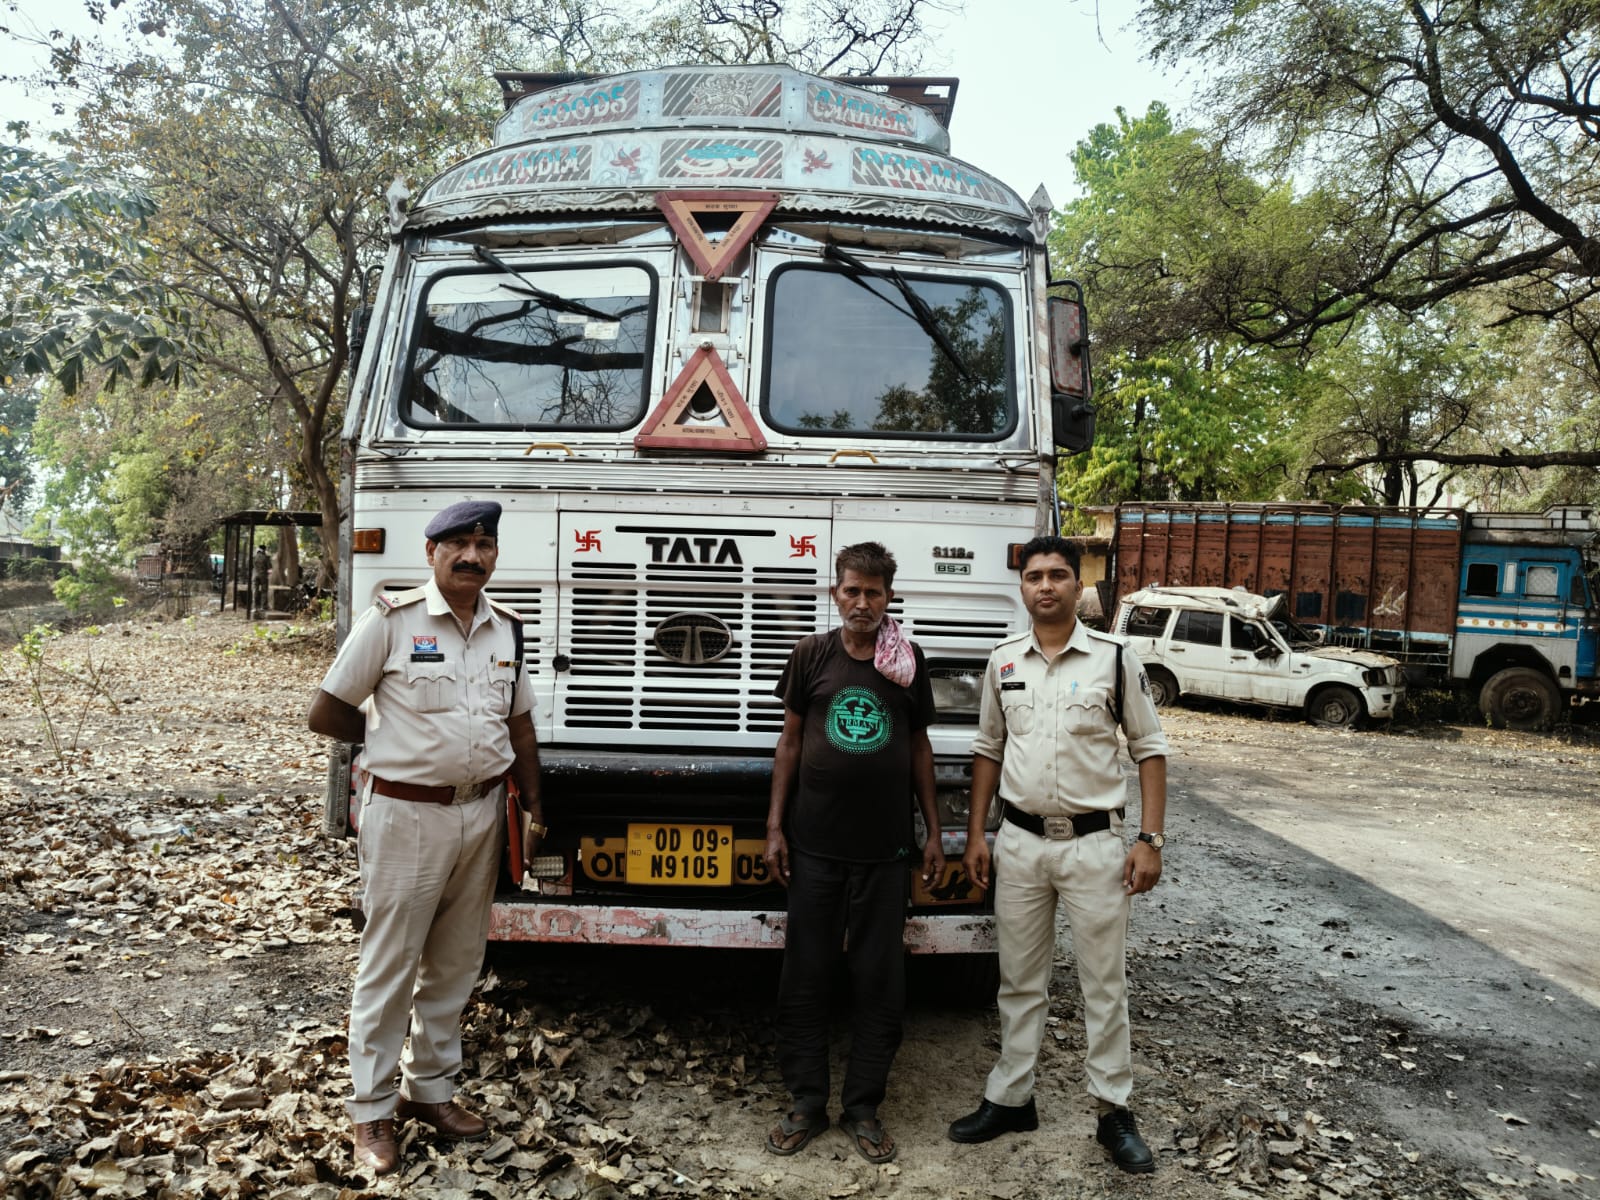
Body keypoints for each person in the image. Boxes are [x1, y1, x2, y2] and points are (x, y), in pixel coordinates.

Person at [306, 499, 544, 1177]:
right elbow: (326, 711)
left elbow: (520, 724)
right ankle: (371, 1110)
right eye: (459, 545)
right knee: (390, 964)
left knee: (457, 962)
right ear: (432, 551)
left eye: (485, 545)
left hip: (481, 814)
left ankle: (428, 1091)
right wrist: (392, 742)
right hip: (407, 815)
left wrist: (535, 800)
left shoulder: (507, 630)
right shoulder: (392, 620)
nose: (473, 556)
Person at [947, 535, 1169, 1175]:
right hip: (1018, 845)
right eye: (1034, 576)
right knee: (1019, 982)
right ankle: (1012, 1097)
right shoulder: (1002, 663)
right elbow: (988, 749)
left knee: (1104, 984)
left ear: (1079, 586)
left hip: (1095, 846)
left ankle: (1113, 1112)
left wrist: (1149, 841)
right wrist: (977, 837)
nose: (1044, 586)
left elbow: (1149, 750)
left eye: (1057, 575)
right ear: (1022, 587)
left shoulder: (1114, 659)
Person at [763, 542, 944, 1165]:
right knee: (805, 978)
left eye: (873, 592)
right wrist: (774, 828)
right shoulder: (811, 655)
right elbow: (788, 745)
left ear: (889, 597)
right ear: (835, 593)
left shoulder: (906, 661)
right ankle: (806, 1104)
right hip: (813, 849)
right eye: (851, 591)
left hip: (886, 854)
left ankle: (863, 1108)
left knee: (879, 982)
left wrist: (934, 832)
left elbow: (920, 747)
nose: (862, 602)